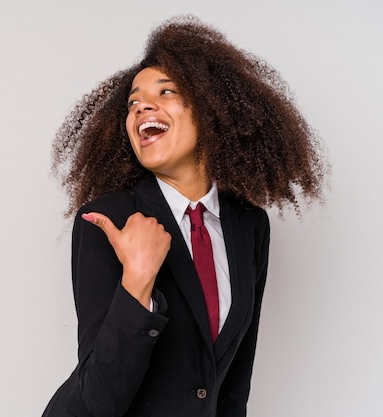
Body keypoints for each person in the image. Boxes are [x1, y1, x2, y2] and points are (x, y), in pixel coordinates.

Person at [42, 15, 326, 417]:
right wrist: (137, 283)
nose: (143, 107)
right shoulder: (106, 220)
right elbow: (97, 400)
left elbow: (233, 382)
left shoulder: (249, 225)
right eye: (133, 102)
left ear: (211, 108)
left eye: (167, 91)